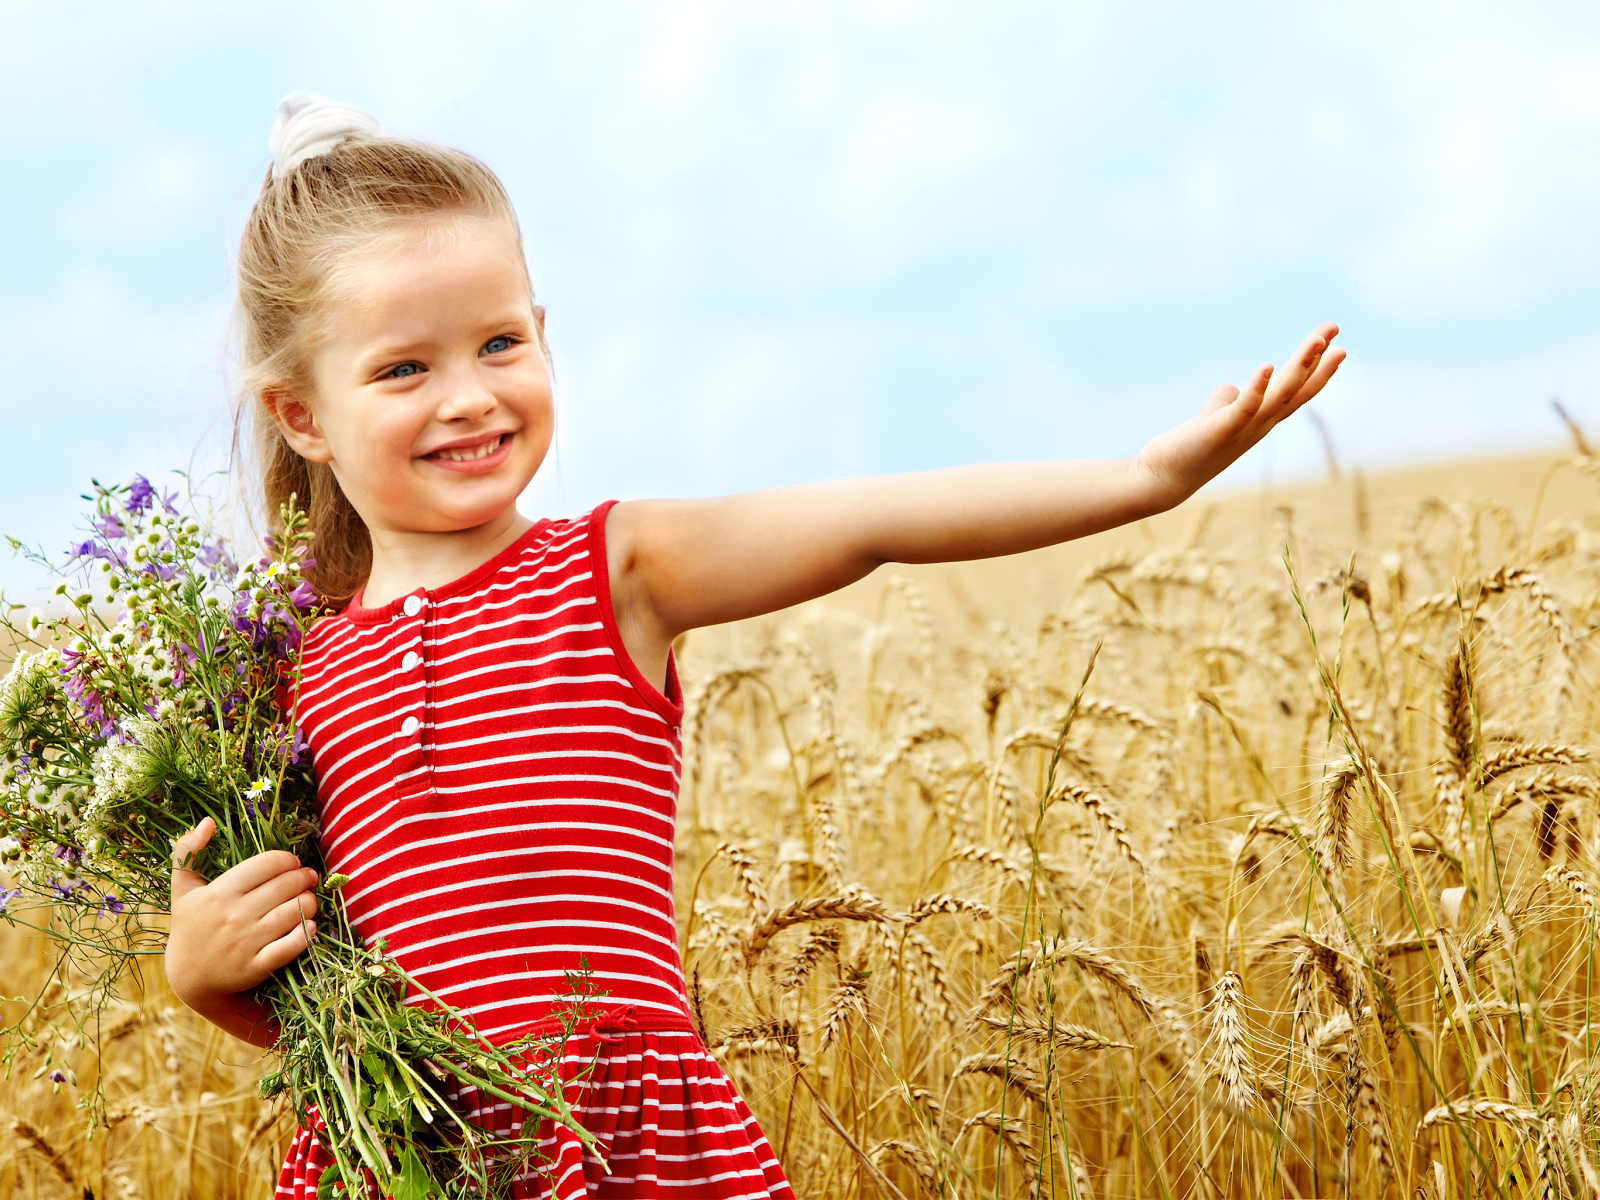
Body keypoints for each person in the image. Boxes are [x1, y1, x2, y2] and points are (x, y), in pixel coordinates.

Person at [162, 94, 1344, 1199]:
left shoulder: (613, 569)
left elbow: (872, 524)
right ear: (302, 414)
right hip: (410, 1150)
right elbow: (321, 1001)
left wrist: (1140, 480)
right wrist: (204, 979)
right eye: (404, 368)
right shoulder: (284, 671)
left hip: (624, 1142)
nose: (468, 396)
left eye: (501, 344)